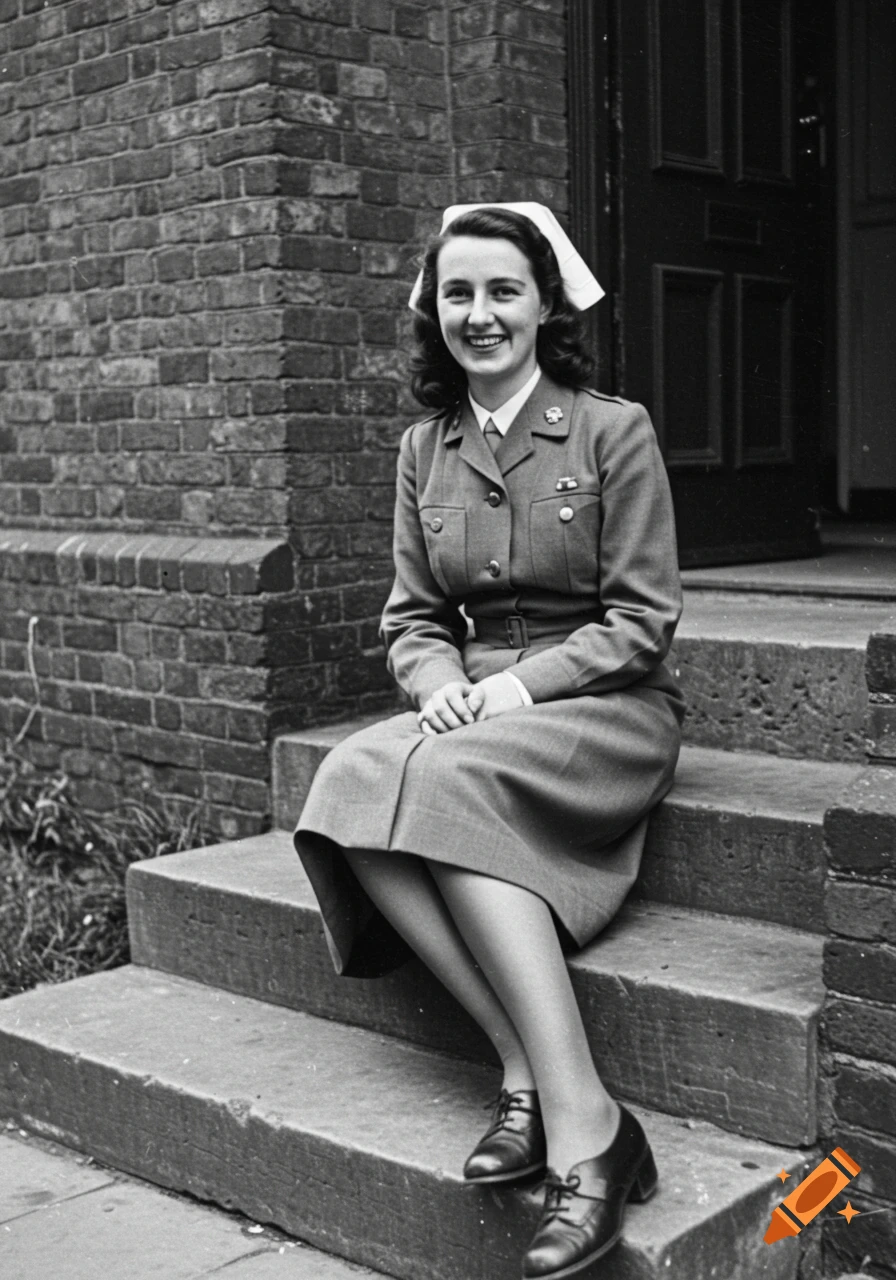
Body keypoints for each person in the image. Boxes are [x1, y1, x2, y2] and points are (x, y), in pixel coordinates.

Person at [293, 202, 685, 1279]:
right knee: (348, 777)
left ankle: (585, 1124)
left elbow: (641, 621)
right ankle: (519, 1062)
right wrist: (436, 686)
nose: (480, 314)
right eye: (458, 294)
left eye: (502, 291)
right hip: (471, 712)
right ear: (435, 313)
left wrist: (506, 691)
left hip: (603, 708)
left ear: (544, 302)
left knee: (442, 784)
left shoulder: (612, 430)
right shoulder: (426, 449)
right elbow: (413, 619)